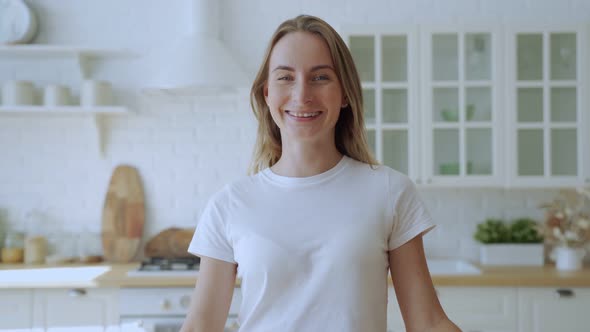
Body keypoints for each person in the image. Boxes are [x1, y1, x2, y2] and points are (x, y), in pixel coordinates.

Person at [180, 14, 460, 332]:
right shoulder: (230, 204)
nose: (302, 95)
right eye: (286, 77)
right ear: (266, 93)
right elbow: (201, 325)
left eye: (320, 77)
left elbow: (428, 322)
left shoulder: (390, 192)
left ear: (344, 94)